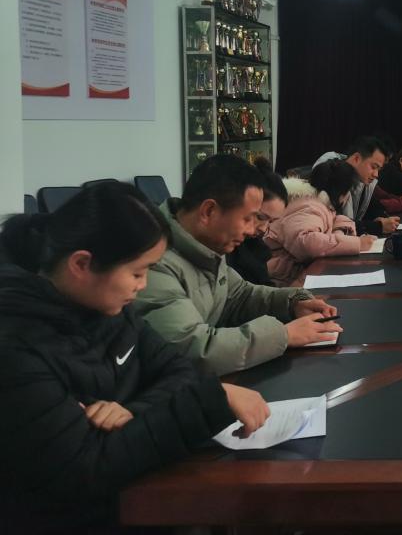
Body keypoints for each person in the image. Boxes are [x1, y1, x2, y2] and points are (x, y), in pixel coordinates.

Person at [0, 183, 270, 529]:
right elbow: (84, 469)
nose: (142, 286)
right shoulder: (16, 346)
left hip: (141, 500)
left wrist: (131, 411)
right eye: (137, 272)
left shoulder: (109, 308)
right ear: (81, 264)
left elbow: (178, 370)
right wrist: (207, 403)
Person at [134, 154, 342, 376]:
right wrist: (284, 335)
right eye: (247, 219)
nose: (253, 230)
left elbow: (238, 295)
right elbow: (193, 351)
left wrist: (292, 302)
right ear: (209, 211)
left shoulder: (207, 245)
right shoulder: (151, 262)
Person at [266, 158, 377, 286]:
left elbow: (330, 222)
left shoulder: (317, 204)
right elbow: (306, 242)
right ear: (341, 192)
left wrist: (339, 229)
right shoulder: (310, 206)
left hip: (291, 275)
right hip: (282, 282)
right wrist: (357, 244)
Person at [313, 136, 400, 236]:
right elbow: (334, 223)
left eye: (378, 169)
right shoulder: (331, 172)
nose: (376, 174)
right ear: (357, 158)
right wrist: (377, 227)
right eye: (373, 167)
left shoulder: (361, 179)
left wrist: (380, 218)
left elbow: (372, 206)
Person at [227, 156, 288, 286]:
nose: (264, 229)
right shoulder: (224, 248)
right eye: (260, 217)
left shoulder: (257, 249)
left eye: (271, 222)